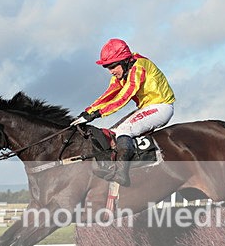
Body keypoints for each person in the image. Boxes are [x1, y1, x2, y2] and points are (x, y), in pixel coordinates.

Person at [71, 38, 175, 186]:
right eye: (108, 67)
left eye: (113, 66)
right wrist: (87, 112)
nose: (111, 71)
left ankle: (122, 173)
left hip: (161, 106)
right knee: (113, 132)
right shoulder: (122, 72)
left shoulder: (139, 67)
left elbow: (124, 97)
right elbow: (109, 94)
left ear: (125, 60)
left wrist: (96, 114)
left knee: (124, 129)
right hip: (147, 107)